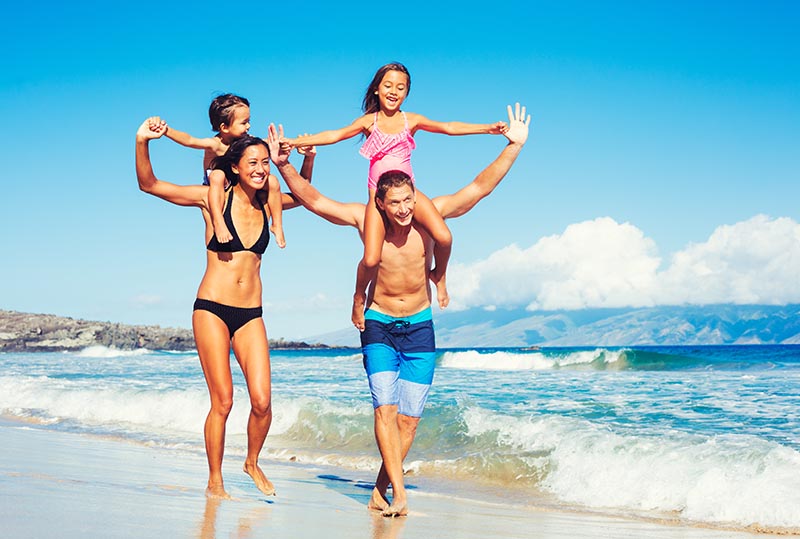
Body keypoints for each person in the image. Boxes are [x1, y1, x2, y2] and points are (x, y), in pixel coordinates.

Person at [272, 103, 530, 517]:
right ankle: (401, 493)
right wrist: (285, 166)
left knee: (409, 421)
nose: (405, 209)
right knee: (384, 410)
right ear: (381, 202)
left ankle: (381, 484)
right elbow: (315, 201)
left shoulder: (429, 221)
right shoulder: (364, 219)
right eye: (396, 203)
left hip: (420, 329)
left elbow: (478, 188)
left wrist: (513, 147)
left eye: (409, 199)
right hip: (378, 325)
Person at [134, 117, 315, 499]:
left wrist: (305, 161)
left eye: (265, 163)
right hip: (212, 309)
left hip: (251, 314)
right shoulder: (213, 198)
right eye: (252, 163)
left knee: (263, 403)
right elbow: (150, 185)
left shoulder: (269, 203)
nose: (260, 169)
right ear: (235, 166)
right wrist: (143, 142)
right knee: (225, 400)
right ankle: (214, 480)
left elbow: (304, 197)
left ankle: (251, 461)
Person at [283, 62, 507, 318]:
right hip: (377, 198)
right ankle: (359, 298)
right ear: (377, 89)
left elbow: (449, 127)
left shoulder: (410, 120)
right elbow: (335, 135)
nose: (394, 91)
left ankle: (439, 277)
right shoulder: (369, 122)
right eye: (388, 85)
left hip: (407, 191)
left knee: (444, 237)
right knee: (370, 259)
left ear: (406, 93)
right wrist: (295, 141)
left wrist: (487, 129)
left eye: (401, 87)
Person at [151, 94, 286, 248]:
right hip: (214, 185)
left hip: (235, 183)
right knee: (218, 175)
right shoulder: (215, 144)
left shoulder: (245, 141)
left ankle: (277, 225)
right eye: (244, 123)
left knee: (273, 181)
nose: (248, 126)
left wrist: (284, 143)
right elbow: (189, 140)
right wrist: (166, 130)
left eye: (249, 121)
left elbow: (265, 144)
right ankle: (219, 222)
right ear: (224, 127)